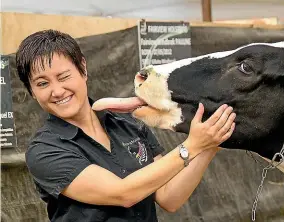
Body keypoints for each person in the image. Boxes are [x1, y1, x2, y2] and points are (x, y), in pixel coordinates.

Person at [17, 29, 236, 222]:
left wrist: (210, 145)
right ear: (32, 91)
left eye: (64, 76)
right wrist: (192, 146)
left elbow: (169, 197)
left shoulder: (128, 124)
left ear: (83, 68)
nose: (57, 91)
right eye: (43, 83)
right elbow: (123, 194)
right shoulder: (44, 151)